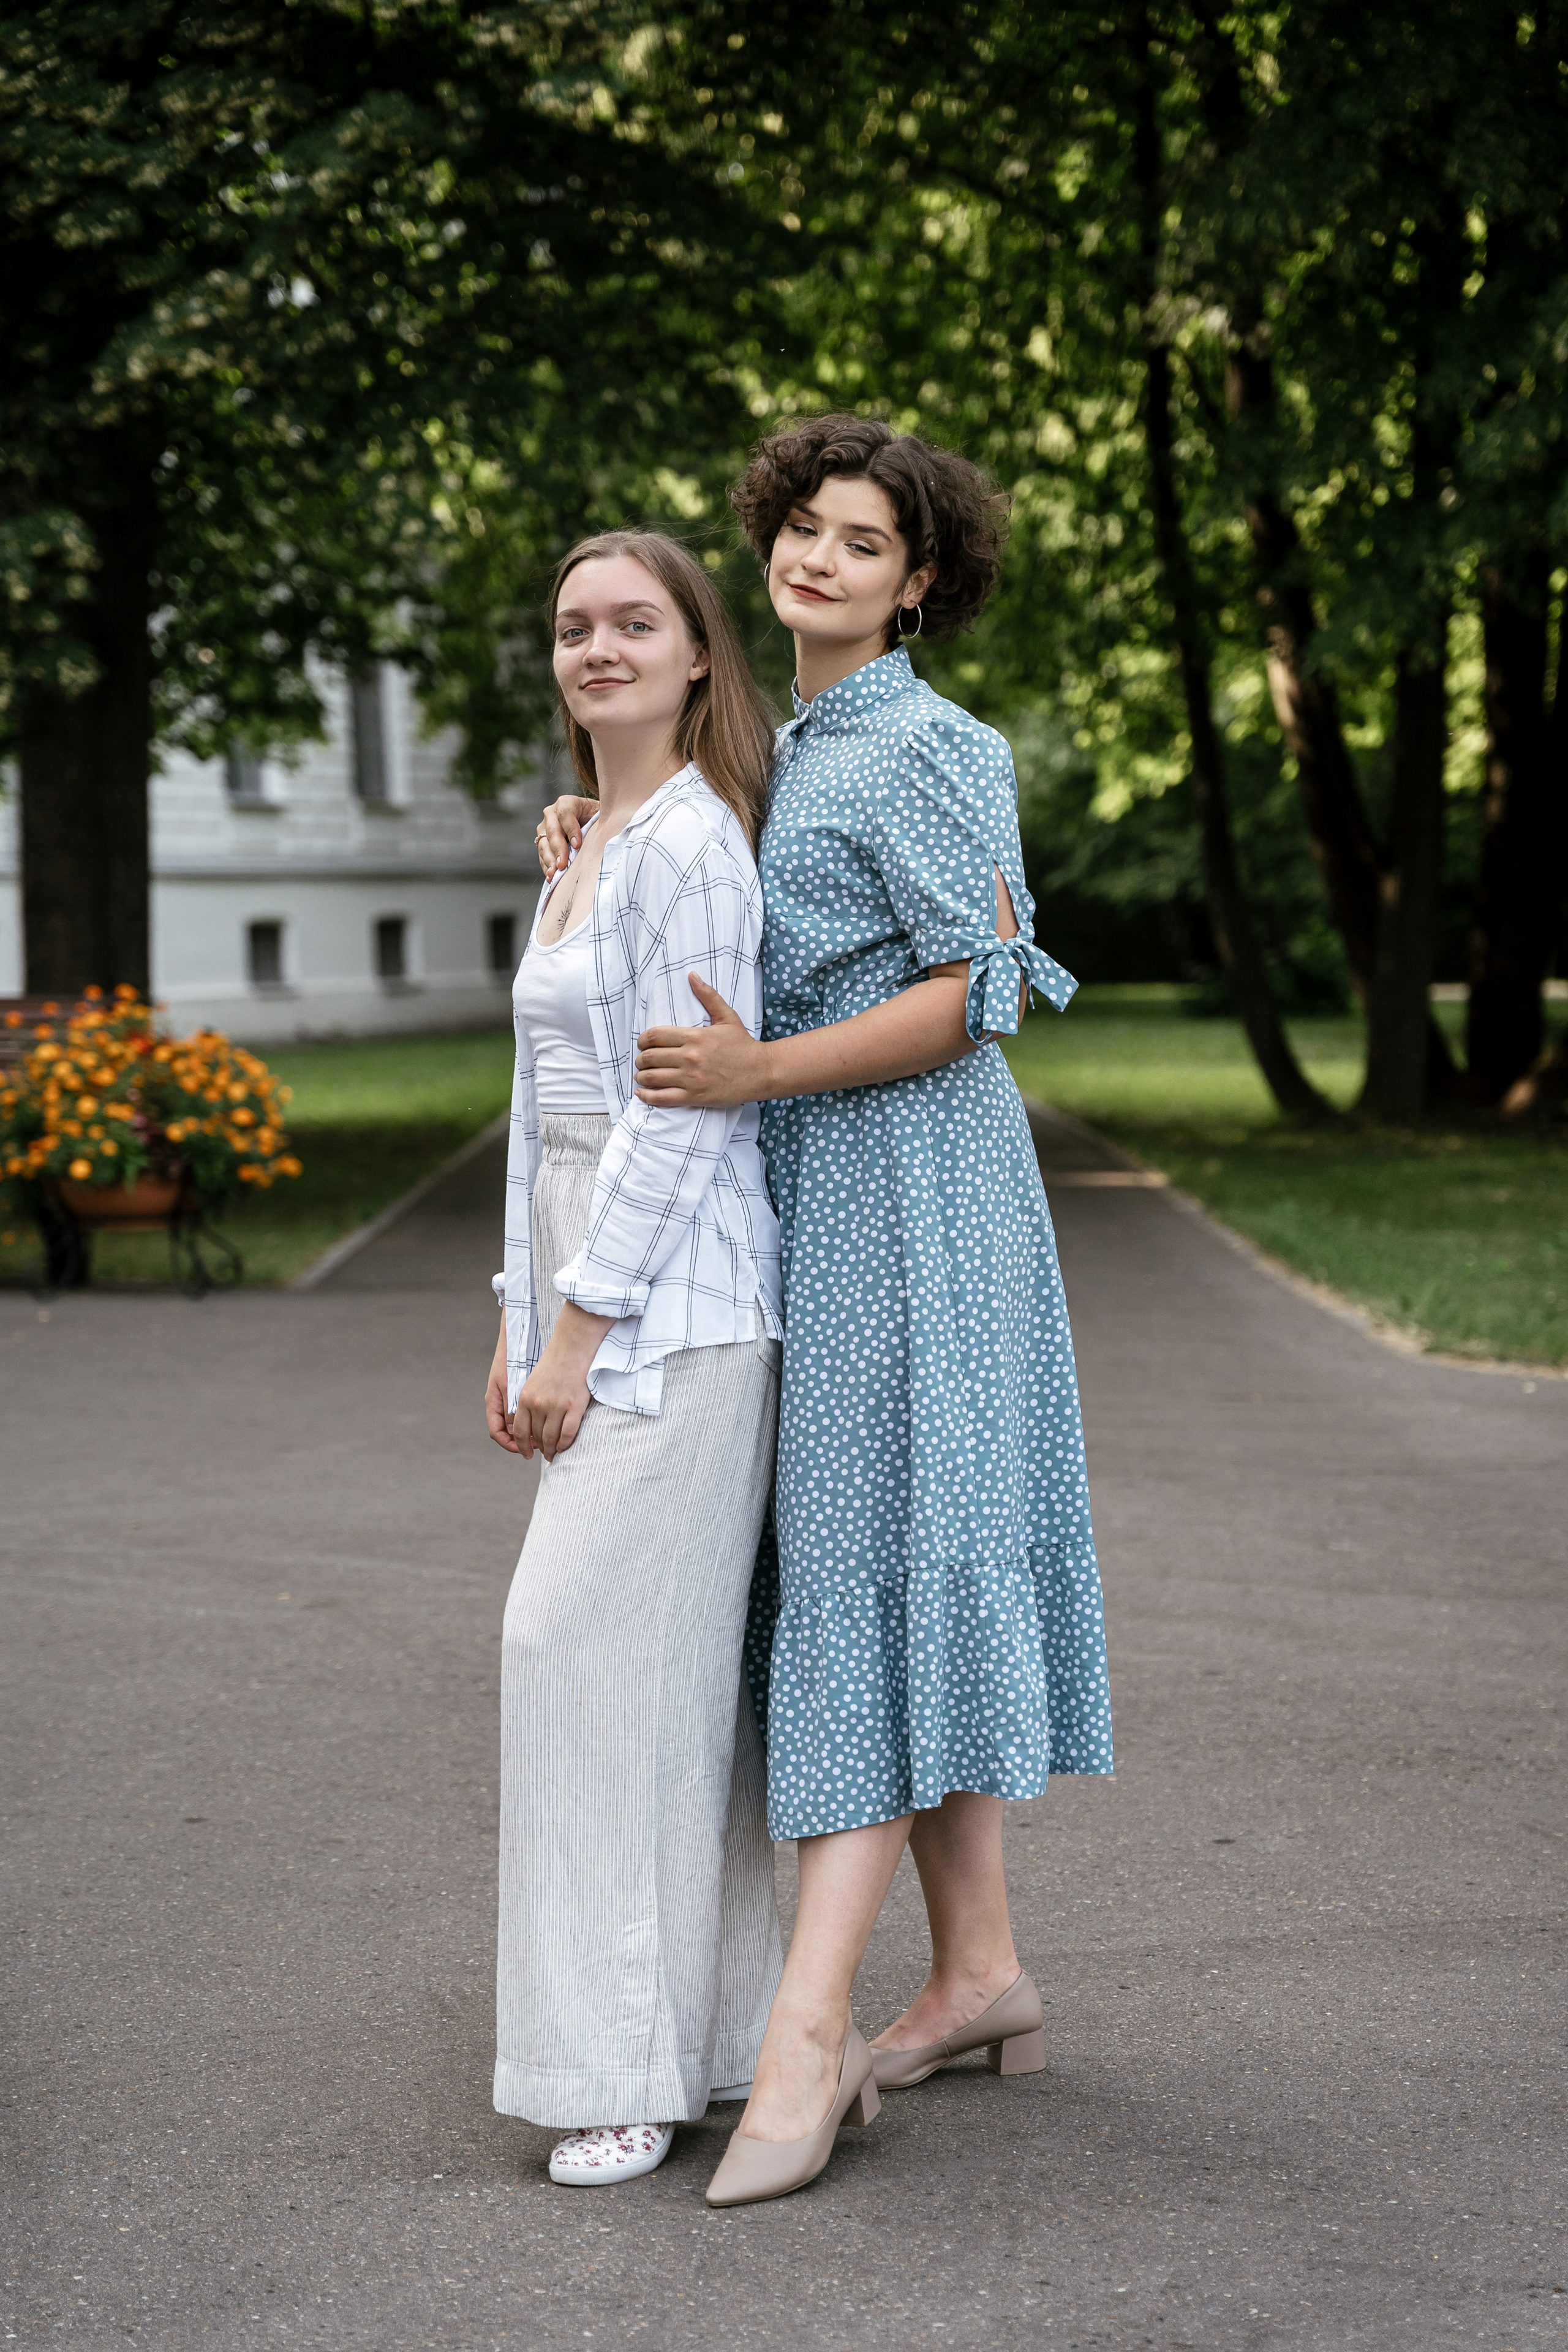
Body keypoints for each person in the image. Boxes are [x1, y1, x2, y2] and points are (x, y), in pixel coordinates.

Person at [536, 415, 1113, 2209]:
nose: (818, 558)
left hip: (921, 1206)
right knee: (879, 1564)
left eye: (863, 542)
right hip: (814, 1200)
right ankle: (980, 1973)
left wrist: (762, 1070)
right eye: (801, 528)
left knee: (868, 1575)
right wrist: (597, 825)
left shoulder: (937, 745)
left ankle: (806, 2033)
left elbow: (982, 994)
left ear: (918, 579)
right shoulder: (782, 748)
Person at [484, 529, 788, 2188]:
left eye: (634, 623)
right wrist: (510, 1318)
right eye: (572, 627)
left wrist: (579, 1331)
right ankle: (715, 2037)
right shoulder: (582, 842)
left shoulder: (697, 846)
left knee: (578, 1655)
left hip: (683, 1308)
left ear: (695, 656)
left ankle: (619, 2069)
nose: (597, 647)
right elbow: (538, 1105)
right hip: (583, 1281)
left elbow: (679, 1124)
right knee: (654, 1689)